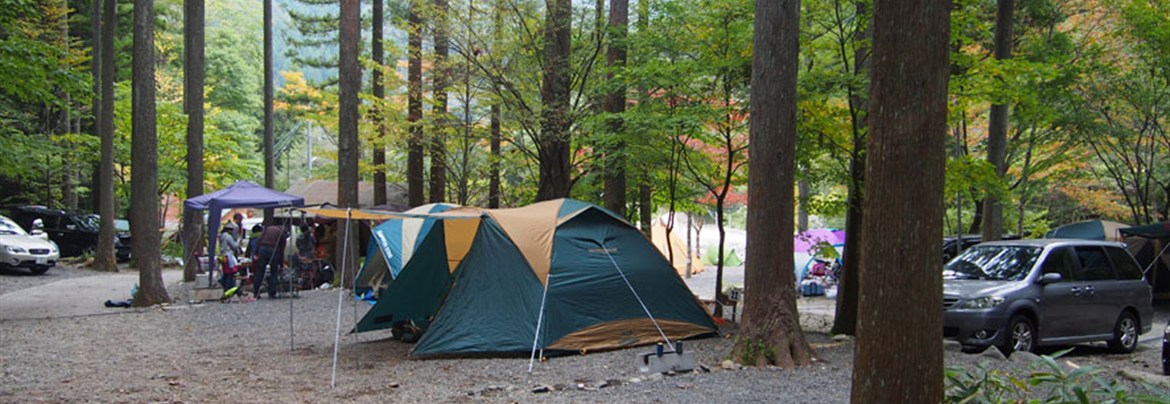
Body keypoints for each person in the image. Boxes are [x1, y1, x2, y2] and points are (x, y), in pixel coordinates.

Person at [253, 223, 288, 299]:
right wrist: (281, 264)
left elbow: (259, 240)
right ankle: (272, 293)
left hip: (262, 249)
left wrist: (256, 253)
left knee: (260, 271)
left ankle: (256, 293)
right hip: (273, 250)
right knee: (274, 272)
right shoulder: (281, 234)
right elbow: (282, 250)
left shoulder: (267, 228)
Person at [218, 225, 241, 290]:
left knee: (225, 272)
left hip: (223, 256)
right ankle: (228, 287)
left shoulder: (221, 236)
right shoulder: (228, 237)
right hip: (228, 256)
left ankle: (224, 285)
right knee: (230, 273)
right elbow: (234, 246)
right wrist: (238, 241)